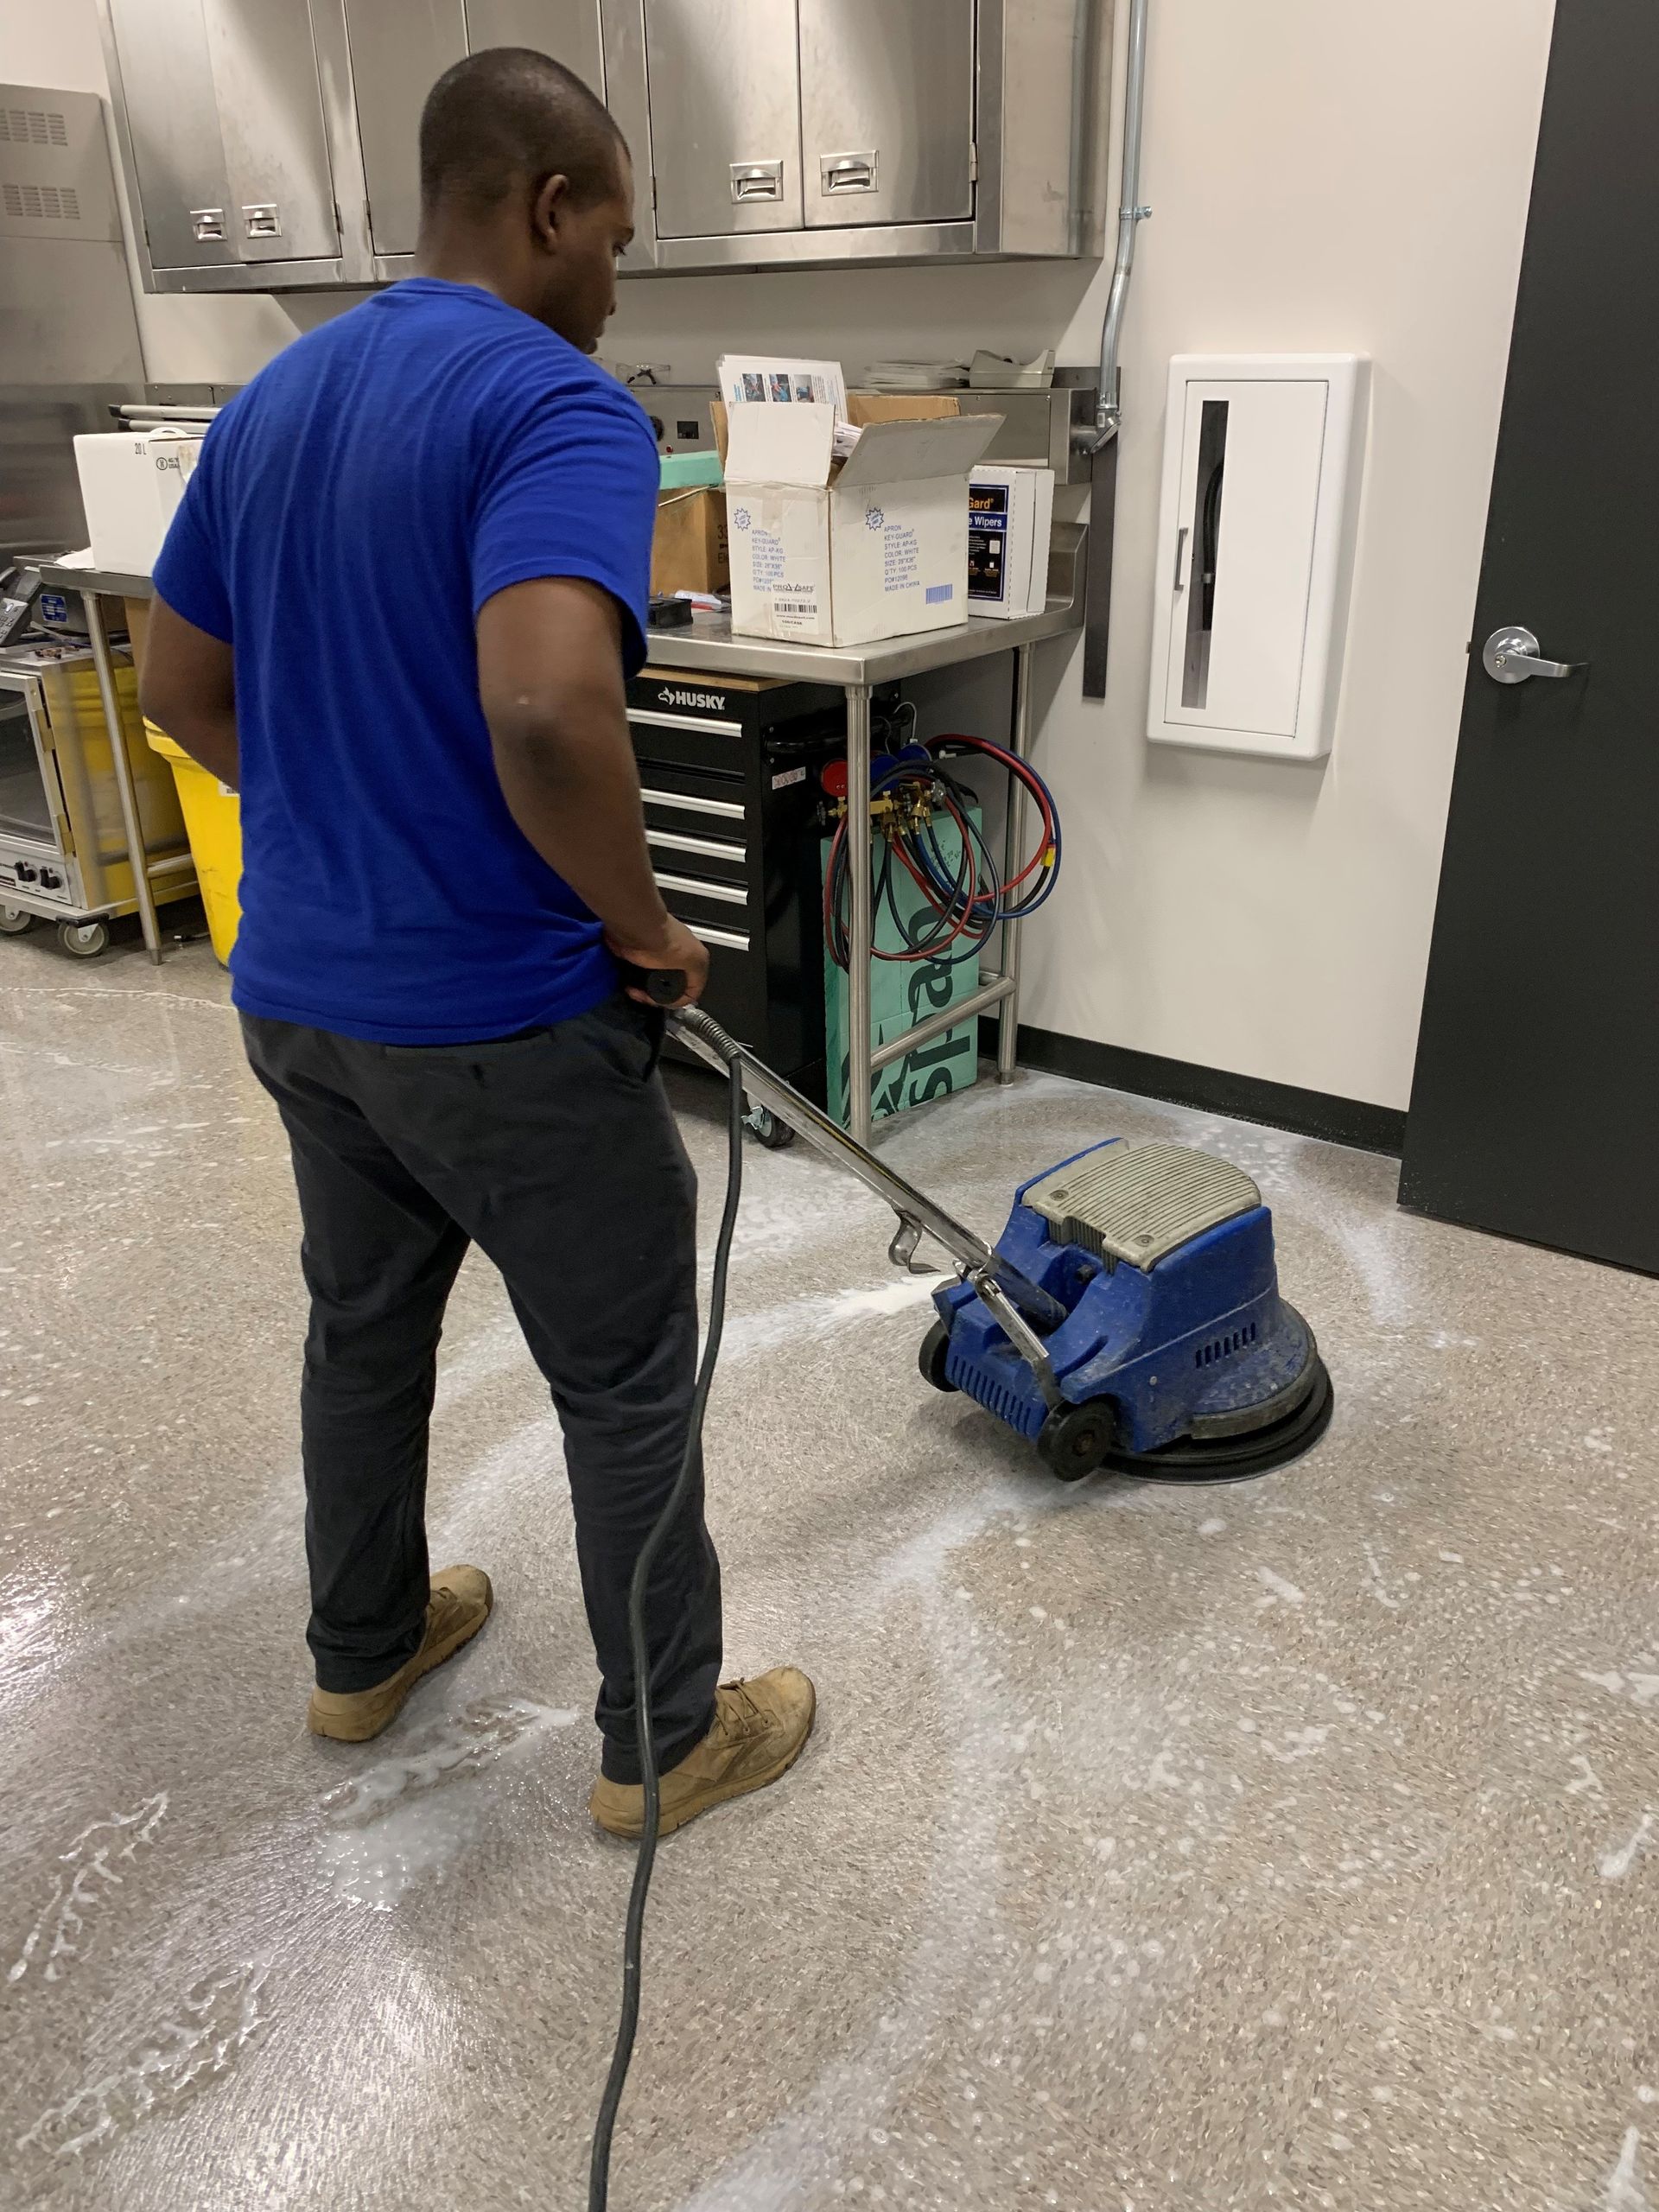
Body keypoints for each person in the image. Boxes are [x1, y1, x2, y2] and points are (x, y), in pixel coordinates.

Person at [138, 48, 814, 1840]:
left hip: (300, 996)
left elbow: (177, 685)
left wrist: (351, 812)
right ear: (547, 205)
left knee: (362, 1328)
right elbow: (545, 712)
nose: (616, 280)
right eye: (615, 235)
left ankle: (359, 1648)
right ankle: (669, 1741)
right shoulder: (558, 408)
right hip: (504, 1020)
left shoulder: (274, 402)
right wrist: (644, 920)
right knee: (621, 1373)